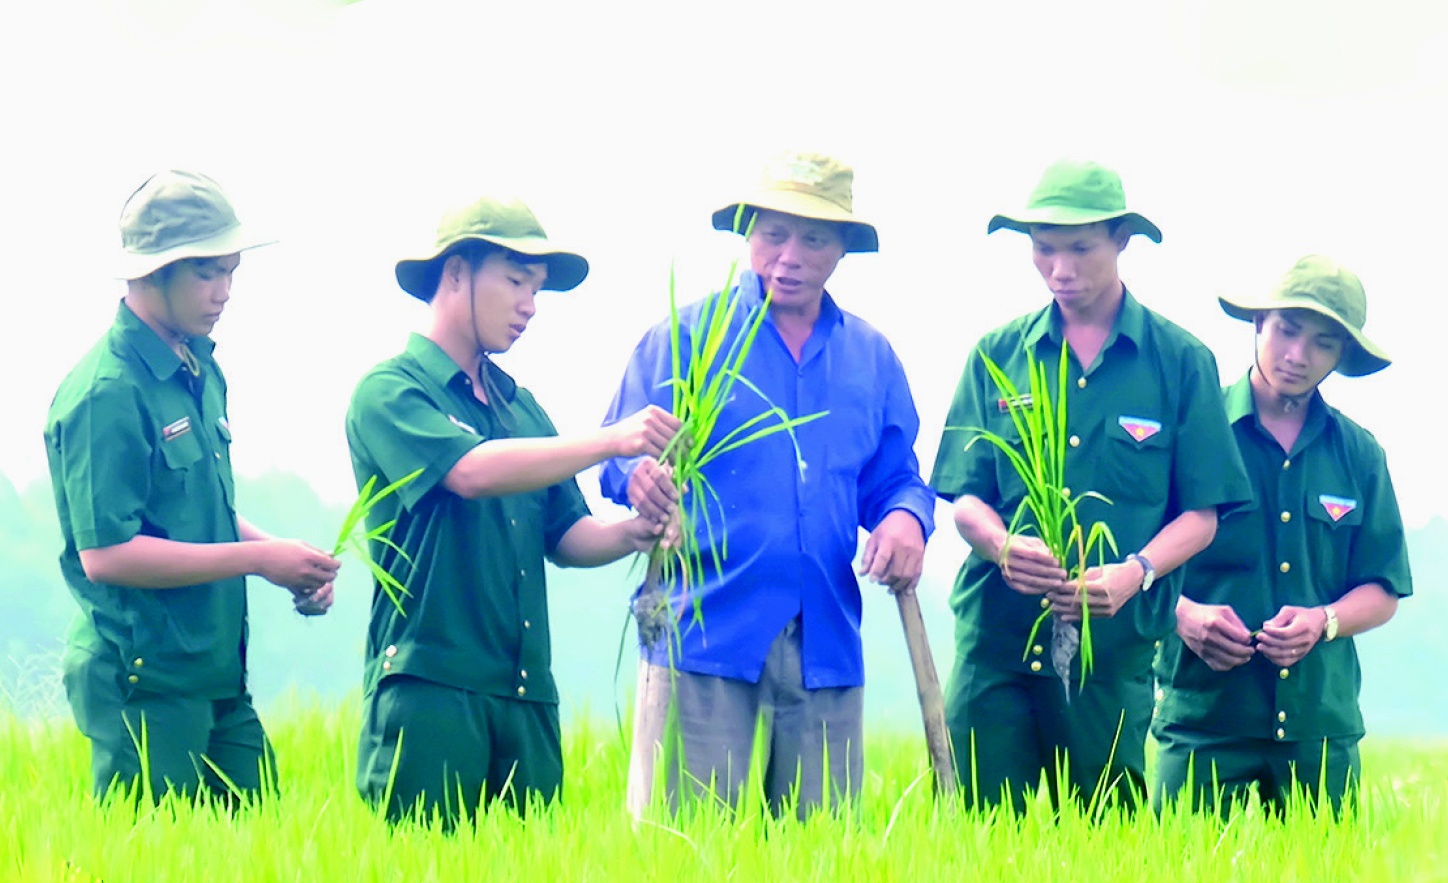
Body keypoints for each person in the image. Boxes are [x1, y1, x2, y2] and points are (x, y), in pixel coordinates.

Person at [600, 150, 935, 819]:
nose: (789, 257)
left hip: (826, 641)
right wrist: (642, 480)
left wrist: (904, 518)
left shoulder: (869, 357)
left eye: (813, 239)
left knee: (823, 856)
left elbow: (896, 477)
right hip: (705, 634)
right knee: (690, 849)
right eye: (773, 234)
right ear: (748, 235)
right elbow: (619, 454)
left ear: (842, 249)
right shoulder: (689, 337)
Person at [345, 194, 680, 827]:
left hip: (526, 697)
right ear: (455, 273)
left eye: (537, 289)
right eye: (516, 281)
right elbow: (469, 472)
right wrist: (613, 440)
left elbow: (568, 535)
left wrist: (637, 531)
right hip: (432, 689)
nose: (529, 304)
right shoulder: (390, 392)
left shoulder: (521, 409)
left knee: (526, 881)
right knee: (422, 877)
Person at [930, 159, 1251, 815]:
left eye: (1080, 249)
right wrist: (1001, 546)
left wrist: (1136, 572)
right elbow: (965, 496)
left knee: (1104, 839)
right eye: (1043, 249)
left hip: (1110, 650)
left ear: (1121, 240)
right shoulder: (998, 354)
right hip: (996, 642)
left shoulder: (1180, 361)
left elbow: (1202, 515)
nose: (1060, 269)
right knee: (976, 839)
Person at [45, 170, 340, 804]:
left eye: (231, 272)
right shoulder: (107, 393)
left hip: (216, 672)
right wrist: (258, 560)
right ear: (154, 272)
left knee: (263, 843)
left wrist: (284, 560)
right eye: (207, 273)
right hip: (143, 679)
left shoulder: (199, 367)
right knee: (151, 860)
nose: (224, 292)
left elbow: (201, 509)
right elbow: (107, 555)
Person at [1153, 256, 1411, 816]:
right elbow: (1133, 563)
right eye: (1287, 331)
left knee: (1324, 875)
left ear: (1342, 355)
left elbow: (1383, 589)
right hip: (1202, 716)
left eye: (1322, 343)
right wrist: (1184, 615)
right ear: (1258, 323)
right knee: (1177, 869)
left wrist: (1324, 621)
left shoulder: (1360, 455)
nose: (1297, 355)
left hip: (1319, 726)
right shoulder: (1192, 433)